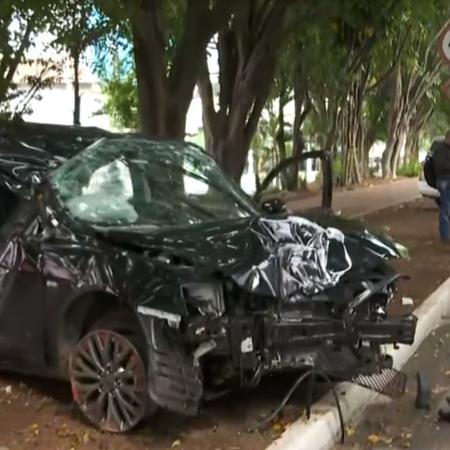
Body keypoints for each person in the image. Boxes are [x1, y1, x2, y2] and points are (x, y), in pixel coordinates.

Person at [432, 130, 450, 241]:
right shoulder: (439, 149)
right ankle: (445, 236)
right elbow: (440, 166)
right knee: (446, 208)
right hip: (444, 181)